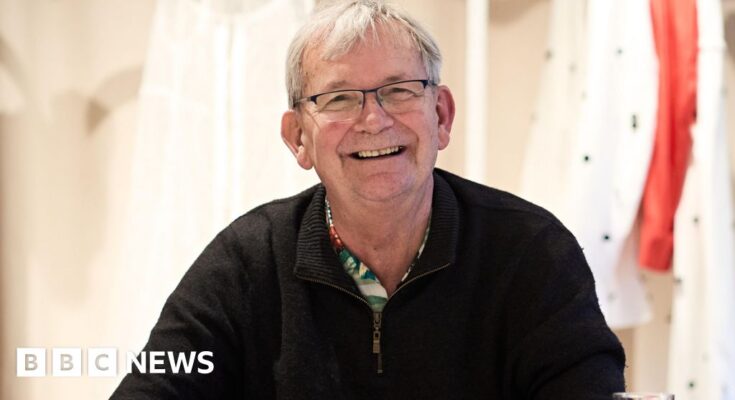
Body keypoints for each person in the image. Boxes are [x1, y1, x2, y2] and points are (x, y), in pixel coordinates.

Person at [111, 0, 625, 398]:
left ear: (441, 116)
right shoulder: (247, 261)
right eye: (338, 98)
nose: (374, 119)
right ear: (297, 138)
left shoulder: (532, 252)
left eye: (399, 90)